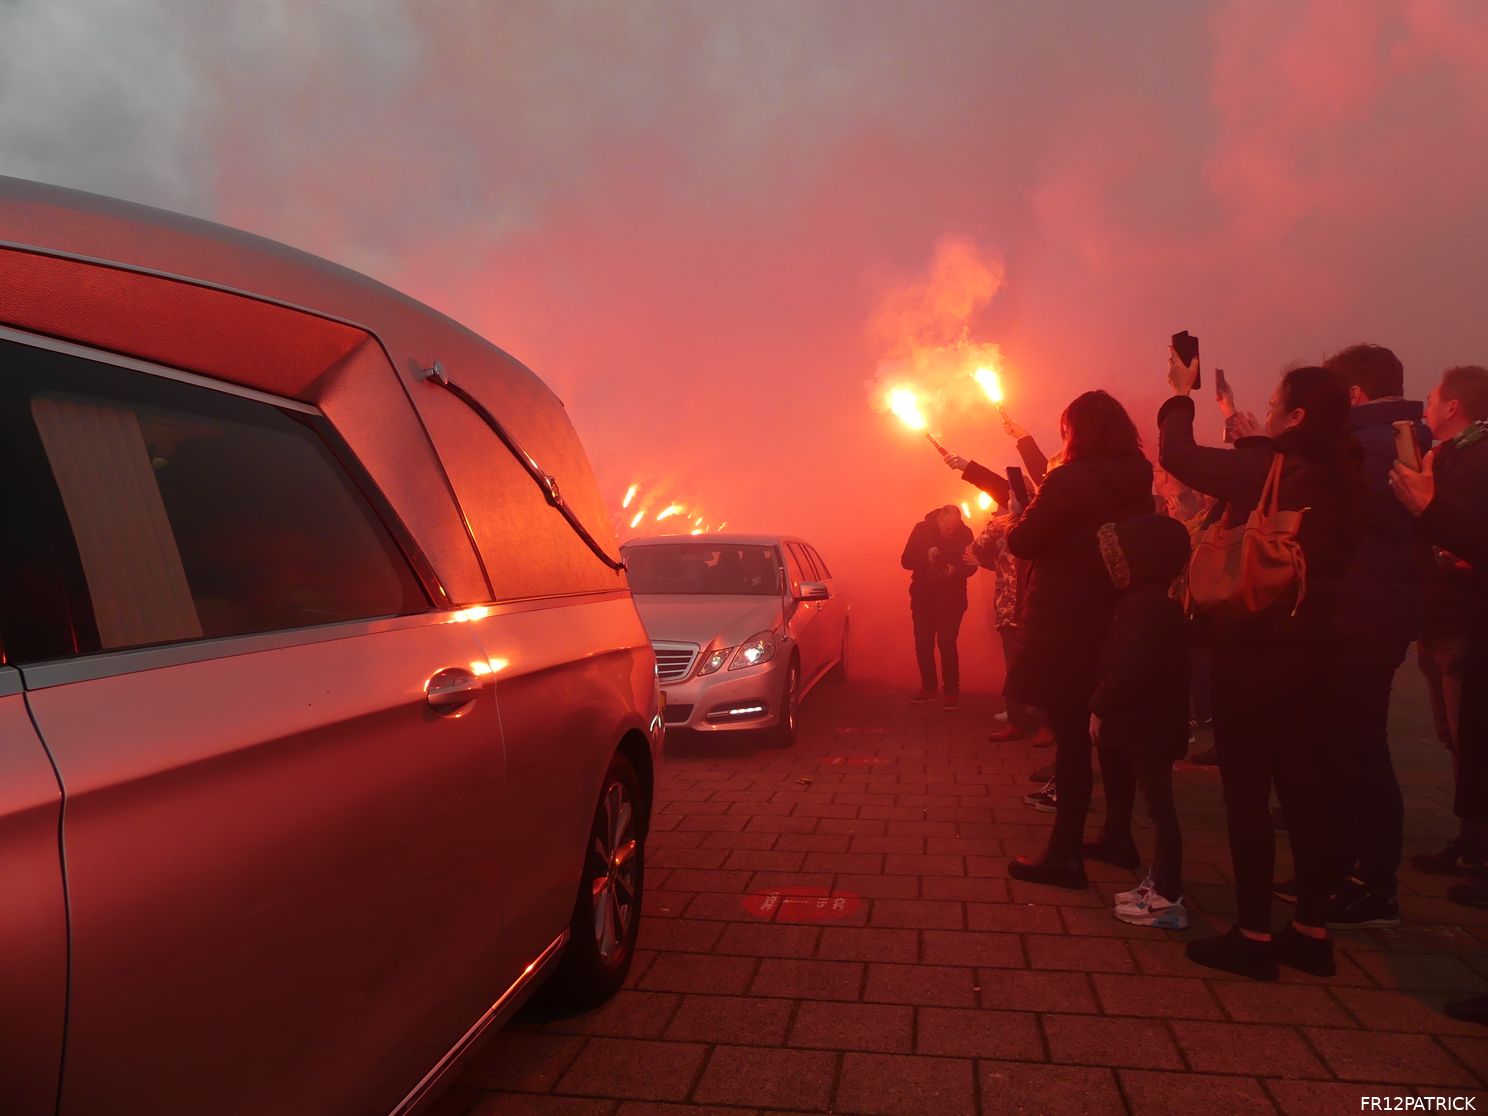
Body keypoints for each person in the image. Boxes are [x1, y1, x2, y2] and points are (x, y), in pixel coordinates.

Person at [1160, 354, 1362, 981]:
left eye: (1276, 404)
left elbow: (1179, 455)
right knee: (1305, 788)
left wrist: (1181, 392)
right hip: (1319, 649)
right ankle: (1311, 931)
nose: (1269, 412)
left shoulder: (1272, 466)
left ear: (1296, 415)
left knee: (1247, 792)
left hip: (1254, 650)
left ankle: (1252, 935)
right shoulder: (1348, 470)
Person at [1002, 391, 1154, 889]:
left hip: (1066, 622)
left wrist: (1015, 518)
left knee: (1071, 741)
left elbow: (1023, 541)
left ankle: (1064, 853)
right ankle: (1117, 836)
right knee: (1109, 735)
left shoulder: (1066, 480)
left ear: (1076, 432)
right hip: (1115, 617)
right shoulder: (1137, 475)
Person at [1304, 343, 1431, 928]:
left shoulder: (1363, 447)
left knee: (1358, 748)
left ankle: (1373, 884)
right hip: (1377, 611)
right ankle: (1336, 868)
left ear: (1352, 395)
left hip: (1360, 614)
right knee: (1344, 745)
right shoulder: (1407, 438)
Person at [1395, 368, 1488, 895]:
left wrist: (1429, 508)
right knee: (1456, 737)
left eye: (1432, 399)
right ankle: (1470, 840)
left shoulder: (1478, 459)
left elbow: (1466, 531)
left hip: (1461, 614)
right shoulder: (1451, 455)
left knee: (1472, 736)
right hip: (1435, 612)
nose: (1425, 408)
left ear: (1453, 407)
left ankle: (1481, 850)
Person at [1088, 513, 1193, 928]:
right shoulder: (1151, 603)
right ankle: (1160, 883)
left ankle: (1168, 896)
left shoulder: (1150, 609)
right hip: (1149, 724)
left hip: (1150, 726)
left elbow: (1129, 666)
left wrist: (1099, 704)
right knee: (1157, 806)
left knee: (1160, 809)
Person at [901, 505, 977, 710]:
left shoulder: (966, 533)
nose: (949, 533)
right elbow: (905, 560)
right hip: (923, 596)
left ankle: (951, 690)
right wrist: (927, 558)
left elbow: (972, 566)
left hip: (952, 598)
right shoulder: (921, 530)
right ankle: (928, 688)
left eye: (954, 529)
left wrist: (954, 570)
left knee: (947, 641)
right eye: (947, 529)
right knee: (923, 643)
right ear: (939, 520)